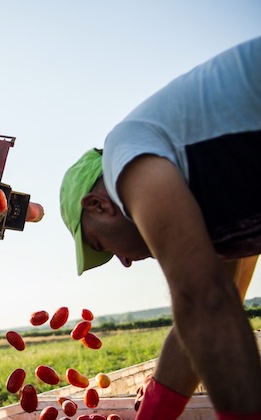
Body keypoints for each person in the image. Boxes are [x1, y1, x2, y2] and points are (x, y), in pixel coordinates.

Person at [60, 36, 261, 420]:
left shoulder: (125, 155)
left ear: (99, 205)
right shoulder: (212, 213)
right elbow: (211, 321)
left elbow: (204, 304)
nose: (123, 262)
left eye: (101, 245)